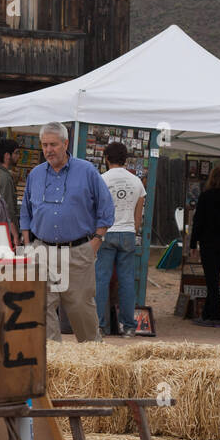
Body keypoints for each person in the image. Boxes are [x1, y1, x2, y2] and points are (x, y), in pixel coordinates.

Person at [20, 121, 114, 341]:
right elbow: (25, 213)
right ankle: (52, 363)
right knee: (41, 309)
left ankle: (94, 364)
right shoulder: (35, 174)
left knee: (82, 311)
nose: (48, 150)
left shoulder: (87, 171)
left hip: (78, 251)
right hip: (41, 250)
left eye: (53, 144)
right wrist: (27, 246)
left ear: (66, 143)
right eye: (44, 145)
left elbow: (106, 209)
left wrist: (96, 242)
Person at [94, 141, 146, 335]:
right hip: (128, 232)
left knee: (101, 279)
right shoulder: (136, 182)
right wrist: (132, 229)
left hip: (106, 232)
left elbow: (96, 211)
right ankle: (129, 327)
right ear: (126, 159)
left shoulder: (101, 180)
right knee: (127, 281)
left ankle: (100, 325)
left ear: (107, 158)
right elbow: (138, 217)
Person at [190, 164, 220, 326]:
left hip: (207, 242)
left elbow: (198, 221)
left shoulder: (205, 196)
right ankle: (209, 314)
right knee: (213, 279)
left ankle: (215, 316)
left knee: (211, 280)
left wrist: (193, 243)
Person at [0, 137, 20, 229]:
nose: (18, 156)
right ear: (7, 155)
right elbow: (8, 208)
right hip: (3, 229)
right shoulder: (5, 178)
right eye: (16, 153)